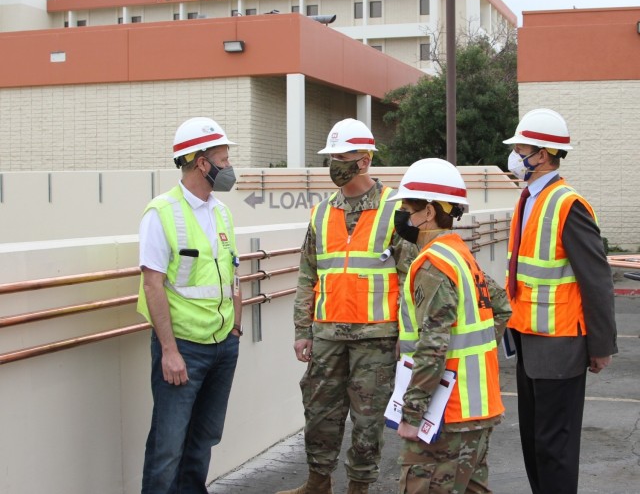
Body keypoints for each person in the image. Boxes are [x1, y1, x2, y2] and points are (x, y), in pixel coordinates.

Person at [277, 118, 417, 494]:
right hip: (326, 334)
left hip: (377, 336)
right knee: (319, 413)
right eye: (332, 156)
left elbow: (410, 276)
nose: (335, 163)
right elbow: (308, 273)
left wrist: (408, 333)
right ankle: (318, 482)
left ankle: (359, 487)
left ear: (365, 159)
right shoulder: (322, 212)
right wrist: (301, 331)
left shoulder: (396, 209)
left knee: (368, 422)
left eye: (343, 155)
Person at [503, 108, 617, 494]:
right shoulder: (529, 198)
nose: (515, 154)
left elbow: (597, 280)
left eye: (521, 147)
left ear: (544, 153)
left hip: (561, 345)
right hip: (529, 340)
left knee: (555, 448)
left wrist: (601, 346)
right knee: (535, 444)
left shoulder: (568, 204)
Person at [389, 158, 510, 494]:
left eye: (408, 209)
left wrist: (412, 414)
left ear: (429, 212)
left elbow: (433, 345)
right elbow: (500, 307)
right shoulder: (460, 256)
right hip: (476, 409)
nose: (403, 218)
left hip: (447, 415)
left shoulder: (432, 265)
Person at [137, 117, 243, 493]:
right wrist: (169, 351)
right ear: (201, 162)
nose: (229, 167)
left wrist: (235, 330)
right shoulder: (161, 213)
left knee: (203, 441)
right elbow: (153, 284)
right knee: (167, 448)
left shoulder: (221, 211)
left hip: (222, 346)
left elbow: (232, 274)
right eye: (224, 159)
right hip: (183, 348)